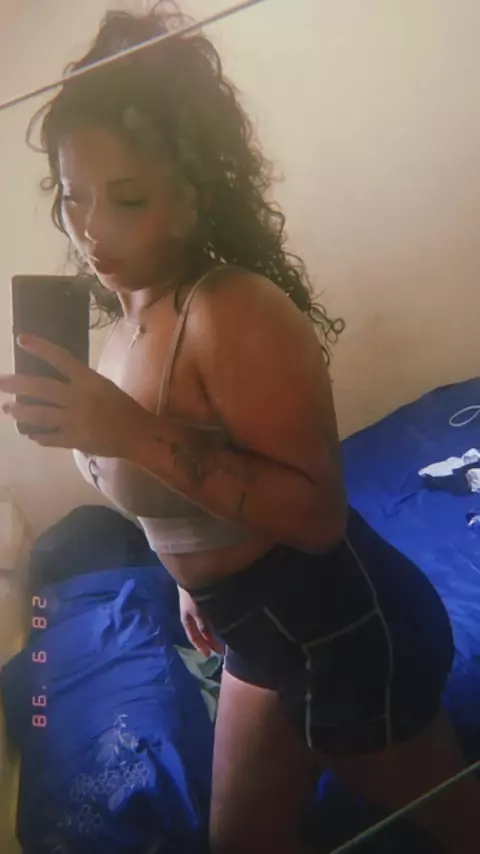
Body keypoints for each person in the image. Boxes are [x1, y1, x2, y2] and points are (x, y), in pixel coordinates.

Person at [1, 5, 478, 852]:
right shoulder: (125, 318)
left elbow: (316, 516)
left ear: (192, 196)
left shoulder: (231, 310)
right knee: (243, 840)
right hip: (258, 631)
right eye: (73, 196)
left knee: (456, 824)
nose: (91, 228)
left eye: (128, 197)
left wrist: (127, 433)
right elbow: (177, 497)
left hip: (342, 630)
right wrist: (189, 583)